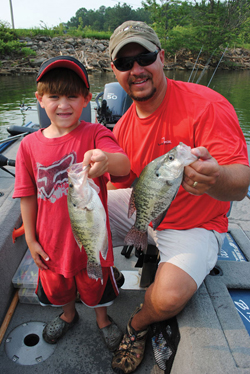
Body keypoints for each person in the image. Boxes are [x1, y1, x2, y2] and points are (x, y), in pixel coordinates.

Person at [107, 21, 250, 373]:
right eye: (125, 63)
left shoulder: (206, 105)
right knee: (74, 213)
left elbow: (242, 183)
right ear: (114, 71)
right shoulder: (123, 126)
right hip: (146, 211)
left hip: (195, 223)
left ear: (162, 58)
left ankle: (138, 324)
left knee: (169, 295)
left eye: (145, 57)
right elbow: (119, 186)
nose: (136, 70)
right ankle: (90, 287)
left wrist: (215, 179)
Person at [13, 56, 130, 352]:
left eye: (72, 96)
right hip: (50, 245)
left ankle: (102, 319)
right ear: (40, 100)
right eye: (54, 96)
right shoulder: (28, 146)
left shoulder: (95, 135)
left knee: (96, 287)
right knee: (58, 287)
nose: (63, 104)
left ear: (87, 100)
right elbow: (26, 194)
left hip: (92, 241)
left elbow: (123, 164)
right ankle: (68, 314)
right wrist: (30, 238)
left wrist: (105, 160)